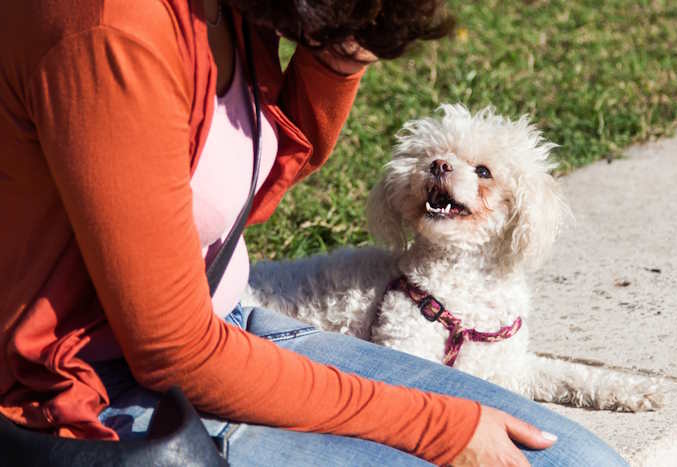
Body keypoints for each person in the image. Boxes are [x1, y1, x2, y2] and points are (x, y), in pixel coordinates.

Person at [0, 1, 628, 465]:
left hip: (232, 323)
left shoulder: (232, 13)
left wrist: (339, 53)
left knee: (584, 462)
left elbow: (232, 190)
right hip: (97, 384)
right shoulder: (112, 34)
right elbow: (173, 352)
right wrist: (433, 426)